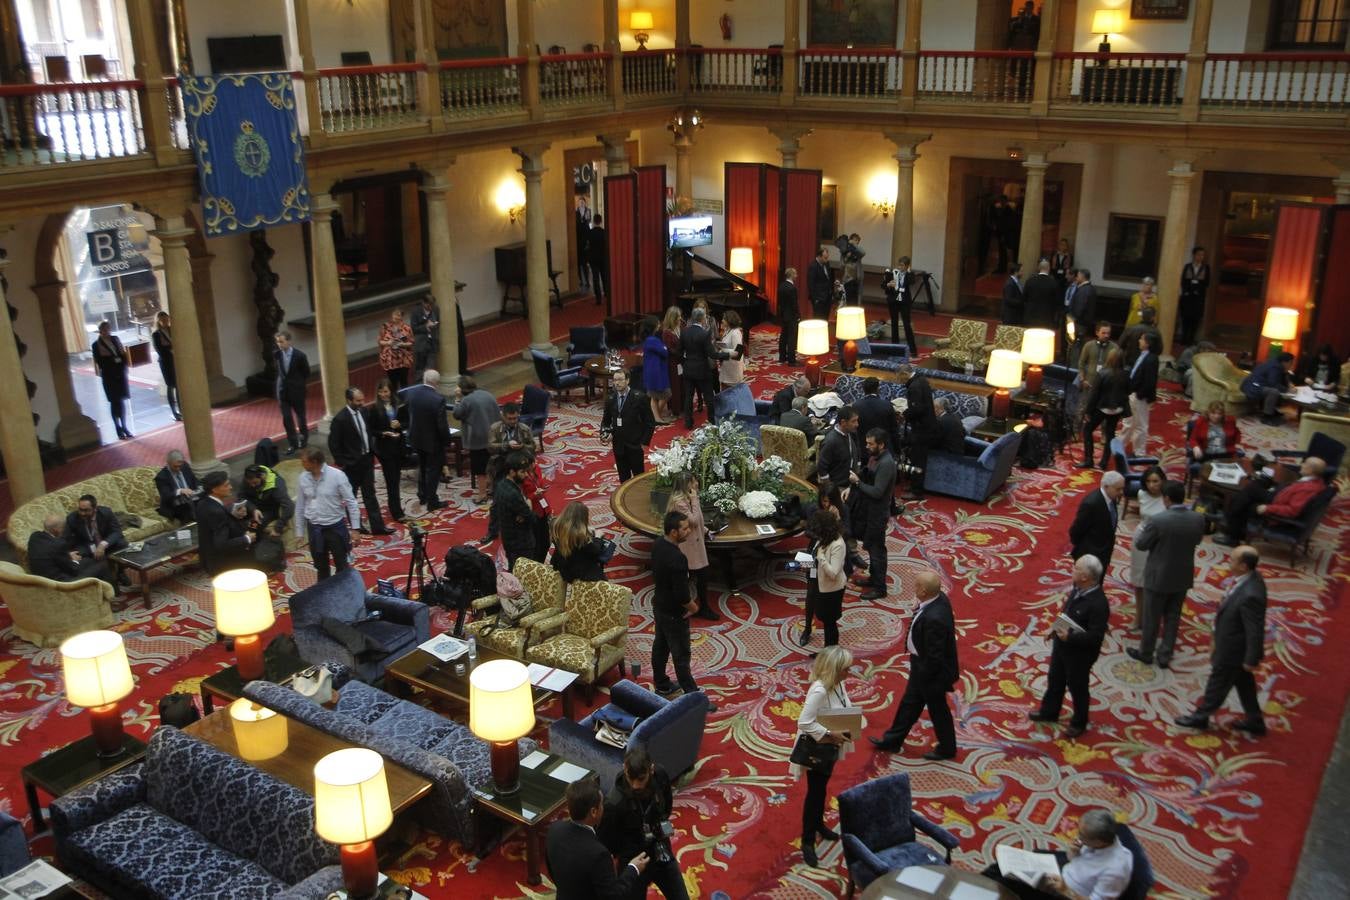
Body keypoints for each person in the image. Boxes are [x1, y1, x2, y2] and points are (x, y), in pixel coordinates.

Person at [1175, 545, 1268, 735]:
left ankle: (1201, 717)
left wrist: (1251, 659)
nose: (1227, 562)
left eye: (1232, 560)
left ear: (1243, 566)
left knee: (1218, 682)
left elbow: (1254, 630)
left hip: (1233, 648)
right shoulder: (1249, 579)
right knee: (1244, 683)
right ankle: (1255, 720)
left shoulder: (1251, 594)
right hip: (1231, 640)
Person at [869, 568, 959, 760]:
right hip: (923, 666)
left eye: (917, 585)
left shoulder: (935, 618)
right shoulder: (937, 599)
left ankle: (947, 748)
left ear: (924, 591)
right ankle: (892, 740)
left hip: (931, 673)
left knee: (937, 710)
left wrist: (923, 677)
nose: (914, 588)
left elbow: (936, 656)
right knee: (910, 704)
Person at [1125, 481, 1206, 670]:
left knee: (1152, 617)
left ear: (1167, 498)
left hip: (1158, 576)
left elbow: (1142, 545)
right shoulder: (1197, 519)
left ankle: (1146, 653)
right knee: (1173, 616)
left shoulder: (1158, 520)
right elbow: (1198, 540)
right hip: (1183, 575)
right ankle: (1165, 655)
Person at [1028, 555, 1110, 739]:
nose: (1072, 569)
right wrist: (1056, 628)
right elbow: (1067, 612)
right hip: (1062, 645)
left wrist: (1070, 637)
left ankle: (1079, 722)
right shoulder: (1078, 589)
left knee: (1077, 687)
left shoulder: (1098, 605)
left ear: (1085, 577)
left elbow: (1096, 637)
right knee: (1055, 679)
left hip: (1080, 655)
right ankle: (1049, 712)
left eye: (1076, 568)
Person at [599, 746, 688, 900]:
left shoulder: (660, 776)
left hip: (660, 849)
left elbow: (666, 807)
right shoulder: (614, 803)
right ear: (624, 769)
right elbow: (608, 843)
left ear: (651, 770)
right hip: (633, 861)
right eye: (630, 778)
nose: (635, 785)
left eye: (641, 779)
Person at [984, 809, 1134, 900]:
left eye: (1082, 835)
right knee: (1000, 867)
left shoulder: (1115, 871)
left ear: (1100, 841)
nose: (1077, 836)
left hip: (1067, 894)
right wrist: (1074, 853)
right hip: (1061, 874)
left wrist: (1065, 890)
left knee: (1009, 883)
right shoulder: (1098, 843)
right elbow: (1079, 864)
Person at [794, 645, 854, 868]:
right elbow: (804, 722)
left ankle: (818, 824)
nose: (849, 673)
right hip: (817, 750)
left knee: (821, 790)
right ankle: (808, 840)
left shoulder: (837, 684)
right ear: (834, 669)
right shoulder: (820, 690)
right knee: (815, 793)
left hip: (830, 746)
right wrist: (831, 734)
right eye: (846, 669)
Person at [545, 776, 649, 900]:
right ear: (594, 811)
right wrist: (634, 868)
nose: (603, 807)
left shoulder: (554, 830)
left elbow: (552, 871)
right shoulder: (599, 854)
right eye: (602, 803)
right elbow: (613, 896)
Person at [651, 511, 711, 705]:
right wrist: (694, 608)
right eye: (685, 528)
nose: (689, 530)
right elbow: (682, 594)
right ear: (674, 532)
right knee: (681, 655)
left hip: (659, 605)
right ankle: (693, 696)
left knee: (660, 646)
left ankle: (661, 683)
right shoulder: (678, 558)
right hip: (674, 613)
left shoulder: (658, 544)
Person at [1214, 456, 1327, 547]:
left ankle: (1232, 536)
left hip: (1276, 506)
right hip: (1279, 496)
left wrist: (1268, 508)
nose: (1302, 465)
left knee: (1243, 501)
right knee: (1251, 489)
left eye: (1305, 463)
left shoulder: (1308, 488)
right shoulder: (1315, 481)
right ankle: (1233, 525)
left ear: (1311, 470)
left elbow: (1292, 510)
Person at [329, 387, 392, 536]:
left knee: (370, 494)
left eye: (362, 400)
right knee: (351, 496)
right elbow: (334, 444)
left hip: (367, 460)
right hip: (351, 465)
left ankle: (378, 527)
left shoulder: (364, 412)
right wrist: (344, 463)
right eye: (358, 401)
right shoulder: (340, 419)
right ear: (349, 400)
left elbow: (368, 432)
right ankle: (357, 526)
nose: (361, 403)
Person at [294, 448, 361, 580]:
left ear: (314, 462)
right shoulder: (303, 478)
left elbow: (351, 502)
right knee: (320, 565)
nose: (302, 464)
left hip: (334, 528)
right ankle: (323, 593)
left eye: (304, 462)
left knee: (342, 564)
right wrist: (300, 532)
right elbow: (300, 506)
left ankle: (344, 592)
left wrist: (355, 529)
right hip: (314, 528)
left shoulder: (337, 476)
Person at [850, 428, 897, 601]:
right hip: (869, 512)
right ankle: (874, 579)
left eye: (871, 443)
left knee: (877, 551)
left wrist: (857, 482)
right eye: (867, 443)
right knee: (870, 547)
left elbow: (877, 492)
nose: (867, 446)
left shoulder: (886, 464)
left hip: (878, 514)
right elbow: (868, 473)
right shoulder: (875, 458)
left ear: (881, 445)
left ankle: (880, 588)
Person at [665, 472, 717, 621]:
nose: (696, 484)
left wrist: (706, 530)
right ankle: (696, 608)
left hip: (695, 543)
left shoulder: (686, 499)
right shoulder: (680, 502)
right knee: (691, 577)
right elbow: (693, 520)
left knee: (701, 576)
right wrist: (695, 499)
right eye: (694, 482)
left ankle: (702, 606)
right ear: (687, 485)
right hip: (688, 546)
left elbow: (697, 521)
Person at [195, 472, 260, 576]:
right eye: (226, 485)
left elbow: (214, 524)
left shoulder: (202, 503)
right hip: (225, 563)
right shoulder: (216, 512)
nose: (230, 487)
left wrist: (231, 513)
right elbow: (221, 544)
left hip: (209, 557)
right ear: (215, 489)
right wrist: (247, 538)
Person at [1127, 466, 1167, 633]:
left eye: (1155, 481)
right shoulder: (1141, 494)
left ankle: (1155, 618)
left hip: (1161, 543)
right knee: (1139, 582)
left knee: (1157, 583)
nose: (1151, 485)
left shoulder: (1168, 497)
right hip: (1141, 540)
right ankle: (1138, 618)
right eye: (1148, 481)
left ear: (1163, 481)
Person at [452, 376, 503, 504]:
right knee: (492, 464)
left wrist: (458, 400)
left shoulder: (466, 400)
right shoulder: (487, 394)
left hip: (478, 439)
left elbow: (457, 414)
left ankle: (482, 494)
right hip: (494, 435)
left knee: (480, 468)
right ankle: (492, 488)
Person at [404, 368, 448, 511]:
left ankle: (422, 495)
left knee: (422, 467)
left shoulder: (412, 394)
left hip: (416, 439)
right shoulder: (438, 399)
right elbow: (441, 425)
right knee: (433, 471)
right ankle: (432, 501)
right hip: (433, 442)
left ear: (424, 379)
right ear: (437, 383)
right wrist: (446, 441)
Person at [29, 514, 114, 587]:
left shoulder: (34, 537)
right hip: (62, 583)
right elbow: (73, 570)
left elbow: (51, 554)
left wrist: (67, 556)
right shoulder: (58, 544)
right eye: (63, 527)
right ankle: (113, 595)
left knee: (89, 561)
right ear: (57, 529)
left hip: (41, 580)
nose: (64, 530)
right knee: (102, 566)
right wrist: (74, 560)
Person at [602, 369, 657, 484]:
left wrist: (644, 443)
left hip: (635, 445)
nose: (617, 383)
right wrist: (605, 434)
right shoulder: (610, 399)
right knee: (623, 479)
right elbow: (606, 421)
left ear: (627, 380)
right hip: (618, 445)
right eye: (615, 380)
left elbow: (650, 422)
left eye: (620, 380)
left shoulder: (639, 397)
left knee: (639, 479)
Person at [1069, 470, 1124, 583]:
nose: (1121, 492)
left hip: (1103, 551)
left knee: (1097, 585)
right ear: (1106, 486)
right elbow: (1075, 531)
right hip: (1089, 554)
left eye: (1122, 488)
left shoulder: (1111, 497)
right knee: (1084, 587)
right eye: (1118, 489)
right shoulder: (1091, 503)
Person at [1081, 348, 1129, 469]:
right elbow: (1128, 390)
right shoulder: (1126, 373)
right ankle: (1104, 462)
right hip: (1117, 408)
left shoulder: (1103, 373)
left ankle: (1088, 460)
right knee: (1110, 434)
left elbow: (1094, 394)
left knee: (1087, 430)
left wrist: (1087, 411)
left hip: (1102, 407)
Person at [679, 307, 726, 428]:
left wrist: (686, 363)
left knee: (688, 397)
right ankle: (712, 422)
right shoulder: (704, 334)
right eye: (705, 316)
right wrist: (727, 354)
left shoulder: (684, 332)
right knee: (709, 397)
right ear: (701, 318)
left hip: (688, 368)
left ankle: (688, 423)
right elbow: (712, 354)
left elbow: (679, 352)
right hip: (702, 370)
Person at [64, 493, 128, 579]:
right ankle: (96, 578)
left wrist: (103, 544)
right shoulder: (72, 518)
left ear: (95, 508)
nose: (82, 513)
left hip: (105, 543)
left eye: (86, 510)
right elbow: (65, 539)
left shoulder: (106, 512)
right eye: (80, 509)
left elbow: (117, 532)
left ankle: (120, 572)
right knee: (76, 556)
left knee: (122, 543)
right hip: (86, 546)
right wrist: (68, 553)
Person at [807, 509, 846, 647]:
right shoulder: (824, 538)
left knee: (830, 622)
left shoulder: (838, 544)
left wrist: (821, 557)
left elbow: (833, 573)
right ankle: (827, 651)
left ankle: (831, 653)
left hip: (832, 590)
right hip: (821, 584)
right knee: (824, 619)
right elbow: (815, 555)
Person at [492, 451, 537, 569]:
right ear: (512, 472)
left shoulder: (502, 484)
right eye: (522, 472)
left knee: (515, 567)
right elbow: (531, 517)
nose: (526, 475)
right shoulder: (512, 494)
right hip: (520, 542)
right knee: (522, 572)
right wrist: (528, 504)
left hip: (508, 537)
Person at [370, 378, 406, 521]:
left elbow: (407, 422)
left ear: (391, 391)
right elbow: (371, 430)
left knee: (396, 479)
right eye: (380, 392)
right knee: (391, 481)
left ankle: (397, 507)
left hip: (398, 446)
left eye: (385, 391)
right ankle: (396, 512)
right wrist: (383, 433)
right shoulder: (374, 409)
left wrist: (399, 425)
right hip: (384, 449)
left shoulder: (399, 405)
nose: (383, 394)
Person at [92, 320, 132, 440]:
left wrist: (123, 366)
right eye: (104, 330)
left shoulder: (115, 339)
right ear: (100, 331)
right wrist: (114, 361)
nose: (107, 332)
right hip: (109, 376)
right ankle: (117, 427)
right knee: (114, 402)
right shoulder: (96, 345)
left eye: (108, 329)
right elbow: (100, 362)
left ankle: (124, 426)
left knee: (121, 401)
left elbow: (123, 355)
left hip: (120, 373)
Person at [550, 501, 606, 583]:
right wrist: (598, 536)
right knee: (603, 583)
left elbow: (570, 530)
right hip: (578, 570)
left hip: (561, 563)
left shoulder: (555, 525)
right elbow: (595, 550)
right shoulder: (580, 536)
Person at [273, 331, 309, 455]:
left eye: (281, 341)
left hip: (297, 391)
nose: (279, 344)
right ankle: (292, 443)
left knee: (301, 417)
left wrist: (297, 384)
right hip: (282, 391)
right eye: (277, 342)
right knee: (287, 418)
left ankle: (303, 441)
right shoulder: (276, 354)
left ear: (289, 341)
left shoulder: (300, 356)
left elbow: (306, 373)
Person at [1123, 331, 1159, 457]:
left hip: (1140, 396)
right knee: (1129, 420)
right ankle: (1121, 445)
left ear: (1147, 343)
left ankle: (1139, 451)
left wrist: (1140, 394)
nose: (1139, 341)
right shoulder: (1143, 354)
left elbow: (1150, 380)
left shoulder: (1152, 359)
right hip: (1133, 393)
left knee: (1141, 424)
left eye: (1142, 339)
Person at [239, 463, 295, 537]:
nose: (252, 486)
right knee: (233, 513)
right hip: (254, 504)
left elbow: (289, 506)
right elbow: (241, 496)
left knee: (253, 525)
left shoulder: (276, 485)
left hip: (269, 508)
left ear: (262, 476)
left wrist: (278, 528)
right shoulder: (249, 478)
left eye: (255, 483)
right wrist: (253, 509)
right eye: (250, 483)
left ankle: (250, 543)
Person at [1240, 351, 1294, 426]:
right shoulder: (1275, 367)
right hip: (1252, 387)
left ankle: (1271, 410)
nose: (1291, 365)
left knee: (1274, 390)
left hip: (1253, 385)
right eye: (1291, 363)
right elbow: (1273, 384)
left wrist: (1288, 382)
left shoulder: (1276, 363)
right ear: (1285, 362)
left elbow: (1280, 379)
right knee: (1273, 392)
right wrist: (1288, 390)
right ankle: (1266, 417)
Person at [487, 401, 536, 483]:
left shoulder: (525, 429)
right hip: (501, 459)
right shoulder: (495, 428)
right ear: (503, 416)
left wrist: (522, 446)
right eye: (509, 419)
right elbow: (490, 447)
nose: (513, 421)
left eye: (515, 418)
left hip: (521, 459)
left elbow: (533, 446)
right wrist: (506, 445)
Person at [854, 377, 899, 459]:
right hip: (883, 450)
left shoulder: (856, 406)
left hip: (863, 450)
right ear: (878, 389)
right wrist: (898, 450)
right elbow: (894, 431)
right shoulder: (887, 405)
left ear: (863, 390)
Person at [641, 318, 673, 423]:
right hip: (656, 371)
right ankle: (655, 417)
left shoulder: (650, 339)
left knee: (655, 396)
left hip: (654, 370)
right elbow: (664, 351)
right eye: (658, 324)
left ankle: (655, 416)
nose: (659, 325)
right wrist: (664, 347)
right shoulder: (652, 340)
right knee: (664, 394)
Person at [154, 449, 200, 523]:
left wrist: (199, 489)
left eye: (180, 466)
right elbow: (166, 496)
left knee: (206, 504)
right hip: (175, 504)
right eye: (175, 466)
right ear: (168, 463)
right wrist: (180, 491)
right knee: (187, 511)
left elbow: (195, 481)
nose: (178, 469)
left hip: (191, 498)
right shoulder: (161, 477)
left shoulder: (185, 466)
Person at [151, 311, 181, 421]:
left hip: (177, 361)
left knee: (179, 385)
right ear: (158, 321)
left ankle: (181, 409)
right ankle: (174, 411)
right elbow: (159, 350)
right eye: (163, 320)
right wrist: (171, 350)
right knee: (171, 385)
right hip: (166, 362)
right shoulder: (156, 334)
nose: (165, 321)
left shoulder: (173, 330)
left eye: (166, 319)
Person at [377, 308, 415, 394]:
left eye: (398, 315)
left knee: (403, 381)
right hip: (390, 360)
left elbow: (411, 342)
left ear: (401, 317)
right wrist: (388, 342)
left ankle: (405, 399)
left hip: (403, 358)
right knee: (392, 383)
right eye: (394, 314)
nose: (395, 317)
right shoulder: (385, 327)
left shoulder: (407, 328)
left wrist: (402, 344)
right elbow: (380, 341)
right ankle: (394, 399)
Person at [884, 256, 917, 351]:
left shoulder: (909, 274)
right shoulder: (893, 273)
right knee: (894, 324)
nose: (900, 267)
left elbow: (911, 282)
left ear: (907, 266)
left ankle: (912, 349)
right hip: (893, 301)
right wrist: (888, 285)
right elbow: (884, 285)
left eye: (902, 265)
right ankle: (895, 348)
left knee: (907, 324)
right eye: (899, 265)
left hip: (904, 302)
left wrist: (908, 272)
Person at [1179, 246, 1210, 346]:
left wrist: (1197, 290)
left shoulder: (1206, 268)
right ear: (1194, 255)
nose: (1200, 257)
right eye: (1199, 254)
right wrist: (1188, 291)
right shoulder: (1188, 266)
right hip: (1187, 297)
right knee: (1185, 318)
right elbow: (1184, 281)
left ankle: (1191, 339)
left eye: (1202, 255)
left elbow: (1206, 283)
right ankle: (1184, 338)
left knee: (1195, 319)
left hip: (1198, 298)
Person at [1067, 269, 1098, 363]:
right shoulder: (1090, 288)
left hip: (1078, 323)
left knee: (1076, 346)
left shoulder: (1084, 290)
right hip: (1084, 323)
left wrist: (1073, 319)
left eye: (1078, 275)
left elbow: (1079, 308)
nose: (1077, 277)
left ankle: (1073, 366)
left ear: (1083, 276)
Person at [1023, 258, 1059, 329]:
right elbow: (1056, 301)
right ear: (1049, 268)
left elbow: (1024, 297)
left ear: (1039, 268)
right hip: (1046, 317)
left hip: (1031, 315)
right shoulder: (1053, 282)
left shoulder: (1030, 281)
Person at [410, 294, 440, 379]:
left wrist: (435, 325)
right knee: (419, 368)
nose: (431, 307)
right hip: (421, 344)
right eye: (429, 305)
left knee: (430, 369)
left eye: (432, 304)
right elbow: (414, 328)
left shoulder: (436, 309)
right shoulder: (415, 311)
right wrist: (425, 327)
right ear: (423, 303)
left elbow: (438, 322)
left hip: (433, 342)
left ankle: (429, 385)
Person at [717, 310, 746, 389]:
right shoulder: (728, 330)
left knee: (731, 394)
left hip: (733, 370)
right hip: (727, 367)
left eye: (724, 318)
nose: (722, 320)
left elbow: (738, 353)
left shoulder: (735, 333)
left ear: (730, 320)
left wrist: (723, 350)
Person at [779, 266, 801, 364]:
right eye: (795, 274)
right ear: (791, 275)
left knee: (783, 336)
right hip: (791, 316)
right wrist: (798, 315)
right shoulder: (792, 288)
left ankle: (782, 357)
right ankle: (792, 360)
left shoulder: (781, 286)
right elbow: (794, 304)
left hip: (783, 315)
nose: (796, 276)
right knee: (791, 337)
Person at [807, 247, 833, 319]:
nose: (827, 259)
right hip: (819, 299)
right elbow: (811, 284)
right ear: (819, 256)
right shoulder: (813, 266)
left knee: (825, 318)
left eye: (827, 257)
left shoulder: (826, 264)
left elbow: (828, 279)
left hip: (827, 298)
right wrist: (815, 299)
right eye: (825, 258)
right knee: (818, 319)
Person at [589, 214, 609, 303]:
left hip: (593, 258)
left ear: (593, 221)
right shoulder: (604, 232)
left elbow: (587, 245)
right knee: (604, 276)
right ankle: (607, 293)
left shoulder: (590, 232)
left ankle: (598, 298)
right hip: (603, 257)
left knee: (595, 278)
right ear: (601, 221)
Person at [574, 193, 592, 292]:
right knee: (578, 263)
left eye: (583, 202)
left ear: (585, 203)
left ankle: (587, 281)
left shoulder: (587, 211)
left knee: (585, 262)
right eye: (580, 202)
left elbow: (588, 222)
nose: (581, 203)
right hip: (578, 238)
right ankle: (580, 280)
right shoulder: (575, 213)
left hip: (585, 238)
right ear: (578, 203)